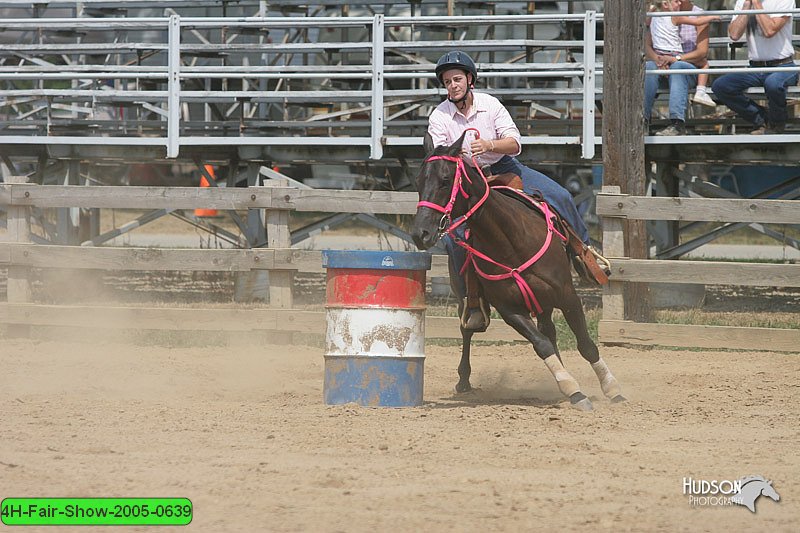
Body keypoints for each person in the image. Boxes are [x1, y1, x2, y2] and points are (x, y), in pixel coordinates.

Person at [427, 51, 610, 329]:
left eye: (457, 79)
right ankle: (471, 300)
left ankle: (583, 252)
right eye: (447, 81)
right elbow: (440, 156)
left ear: (469, 80)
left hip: (504, 166)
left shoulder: (490, 105)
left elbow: (514, 143)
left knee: (559, 195)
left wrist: (488, 145)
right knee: (455, 237)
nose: (452, 85)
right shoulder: (439, 116)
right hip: (467, 180)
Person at [711, 0, 798, 134]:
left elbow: (770, 30)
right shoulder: (743, 2)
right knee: (721, 86)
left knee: (773, 84)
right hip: (755, 67)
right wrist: (746, 6)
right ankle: (761, 119)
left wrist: (756, 3)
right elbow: (734, 35)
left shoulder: (784, 0)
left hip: (783, 65)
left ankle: (777, 124)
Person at [644, 0, 719, 135]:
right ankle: (643, 119)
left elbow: (702, 52)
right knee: (649, 66)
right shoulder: (660, 15)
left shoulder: (696, 15)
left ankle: (677, 123)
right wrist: (659, 60)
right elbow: (648, 44)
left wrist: (674, 60)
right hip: (664, 66)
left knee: (678, 67)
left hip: (686, 67)